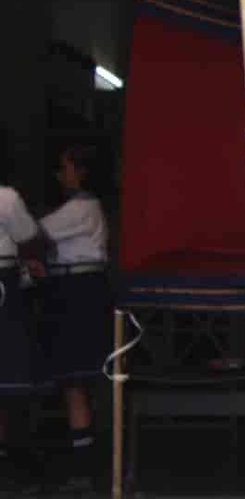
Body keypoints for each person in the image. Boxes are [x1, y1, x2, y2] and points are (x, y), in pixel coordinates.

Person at [35, 144, 111, 493]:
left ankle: (85, 466)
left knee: (75, 379)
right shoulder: (84, 207)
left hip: (77, 291)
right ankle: (87, 458)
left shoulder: (81, 208)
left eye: (64, 168)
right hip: (78, 289)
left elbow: (33, 232)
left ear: (81, 172)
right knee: (76, 380)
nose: (58, 175)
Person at [0, 141, 42, 488]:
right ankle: (14, 459)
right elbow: (27, 233)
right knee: (11, 373)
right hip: (3, 280)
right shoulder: (6, 197)